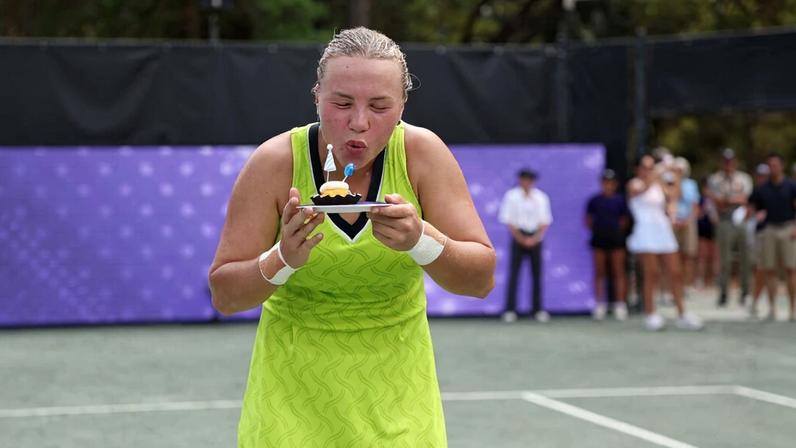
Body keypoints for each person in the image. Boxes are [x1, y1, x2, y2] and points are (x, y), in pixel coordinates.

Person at [208, 27, 496, 447]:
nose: (358, 122)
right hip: (290, 406)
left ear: (402, 106)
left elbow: (481, 280)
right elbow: (225, 296)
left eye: (379, 106)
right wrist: (282, 258)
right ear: (317, 97)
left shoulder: (421, 154)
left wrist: (421, 239)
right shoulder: (274, 162)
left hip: (399, 405)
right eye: (342, 103)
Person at [626, 154, 703, 331]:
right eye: (645, 167)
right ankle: (650, 314)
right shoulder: (634, 184)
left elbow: (676, 194)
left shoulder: (658, 184)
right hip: (645, 232)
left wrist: (676, 174)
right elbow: (642, 189)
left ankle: (682, 314)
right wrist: (660, 171)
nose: (648, 170)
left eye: (651, 167)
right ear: (638, 169)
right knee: (651, 274)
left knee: (675, 273)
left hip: (663, 230)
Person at [499, 169, 553, 323]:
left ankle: (537, 310)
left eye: (530, 179)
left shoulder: (541, 197)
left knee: (537, 274)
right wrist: (521, 238)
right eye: (524, 179)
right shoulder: (511, 196)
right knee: (514, 273)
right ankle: (510, 309)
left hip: (536, 237)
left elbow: (545, 221)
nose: (527, 182)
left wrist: (535, 238)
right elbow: (508, 220)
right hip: (518, 236)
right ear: (520, 180)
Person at [749, 153, 796, 321]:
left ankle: (792, 308)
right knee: (769, 269)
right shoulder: (762, 188)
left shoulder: (791, 186)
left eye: (775, 165)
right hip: (769, 229)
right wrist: (755, 214)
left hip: (788, 228)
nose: (772, 168)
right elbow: (752, 206)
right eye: (770, 165)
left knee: (791, 268)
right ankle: (772, 308)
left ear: (782, 166)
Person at [707, 148, 753, 307]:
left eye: (731, 161)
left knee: (745, 258)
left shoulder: (744, 178)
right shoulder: (715, 179)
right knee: (724, 259)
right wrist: (733, 200)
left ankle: (745, 292)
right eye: (725, 161)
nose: (728, 164)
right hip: (725, 220)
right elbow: (717, 201)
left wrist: (728, 200)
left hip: (741, 219)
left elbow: (745, 199)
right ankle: (723, 293)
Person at [585, 169, 630, 320]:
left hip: (616, 240)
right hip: (599, 239)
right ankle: (599, 304)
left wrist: (615, 231)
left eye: (611, 182)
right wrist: (599, 231)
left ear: (615, 184)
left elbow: (624, 220)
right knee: (599, 272)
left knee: (618, 272)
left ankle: (620, 304)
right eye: (605, 182)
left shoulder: (620, 200)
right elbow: (588, 220)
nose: (608, 185)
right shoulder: (594, 200)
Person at [672, 157, 700, 297]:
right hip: (673, 221)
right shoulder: (669, 183)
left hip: (688, 221)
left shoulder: (691, 184)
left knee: (688, 255)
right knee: (673, 256)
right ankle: (672, 287)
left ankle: (687, 285)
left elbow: (694, 204)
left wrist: (687, 219)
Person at [748, 163, 770, 318]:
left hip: (781, 232)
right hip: (761, 233)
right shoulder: (757, 191)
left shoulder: (783, 187)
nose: (762, 178)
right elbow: (749, 210)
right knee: (761, 268)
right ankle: (755, 301)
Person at [696, 177, 719, 289]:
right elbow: (698, 213)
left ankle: (715, 280)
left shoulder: (717, 199)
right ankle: (700, 279)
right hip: (703, 229)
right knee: (702, 256)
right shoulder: (700, 199)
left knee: (715, 256)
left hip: (714, 229)